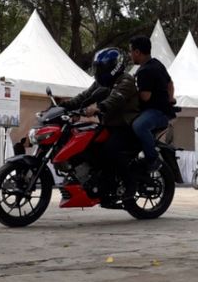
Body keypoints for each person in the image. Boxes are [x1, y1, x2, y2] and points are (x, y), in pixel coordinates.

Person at [59, 47, 139, 204]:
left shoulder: (125, 80)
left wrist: (98, 108)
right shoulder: (101, 82)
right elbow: (84, 96)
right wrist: (63, 106)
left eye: (101, 67)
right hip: (108, 124)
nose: (98, 71)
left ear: (114, 66)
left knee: (110, 150)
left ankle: (130, 185)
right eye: (97, 67)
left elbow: (116, 99)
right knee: (89, 146)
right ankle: (97, 180)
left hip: (126, 126)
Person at [128, 35, 176, 171]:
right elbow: (170, 83)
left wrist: (129, 94)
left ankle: (152, 158)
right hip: (163, 111)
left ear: (137, 52)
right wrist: (170, 99)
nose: (130, 55)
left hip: (156, 112)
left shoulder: (145, 71)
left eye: (131, 51)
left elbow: (145, 97)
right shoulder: (157, 63)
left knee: (139, 126)